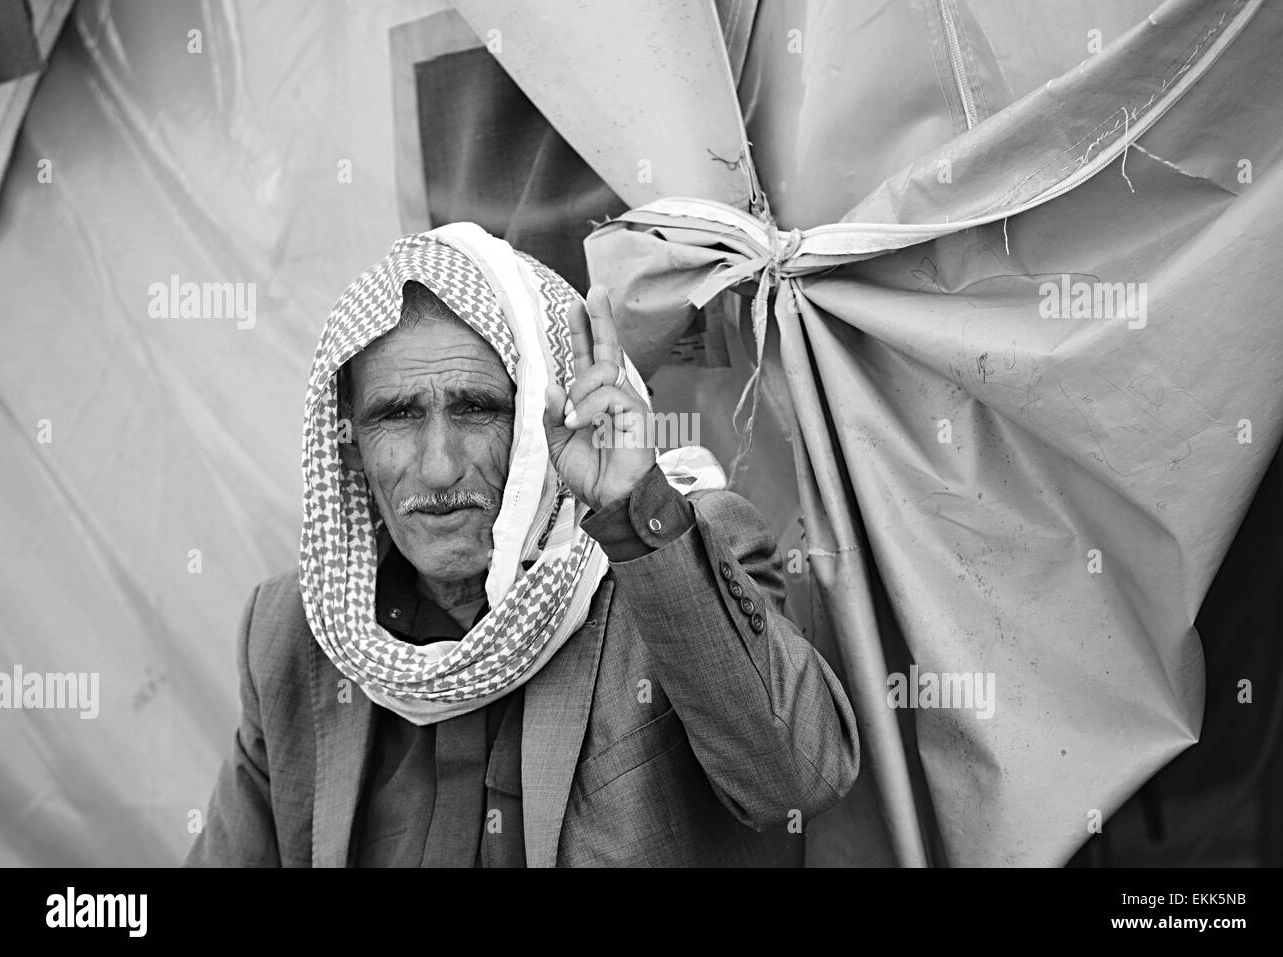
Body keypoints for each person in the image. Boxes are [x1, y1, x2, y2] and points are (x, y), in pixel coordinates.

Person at [186, 223, 859, 867]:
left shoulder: (667, 557)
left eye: (478, 408)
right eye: (397, 415)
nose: (440, 466)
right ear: (353, 445)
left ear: (542, 421)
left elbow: (797, 780)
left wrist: (633, 512)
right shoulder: (298, 634)